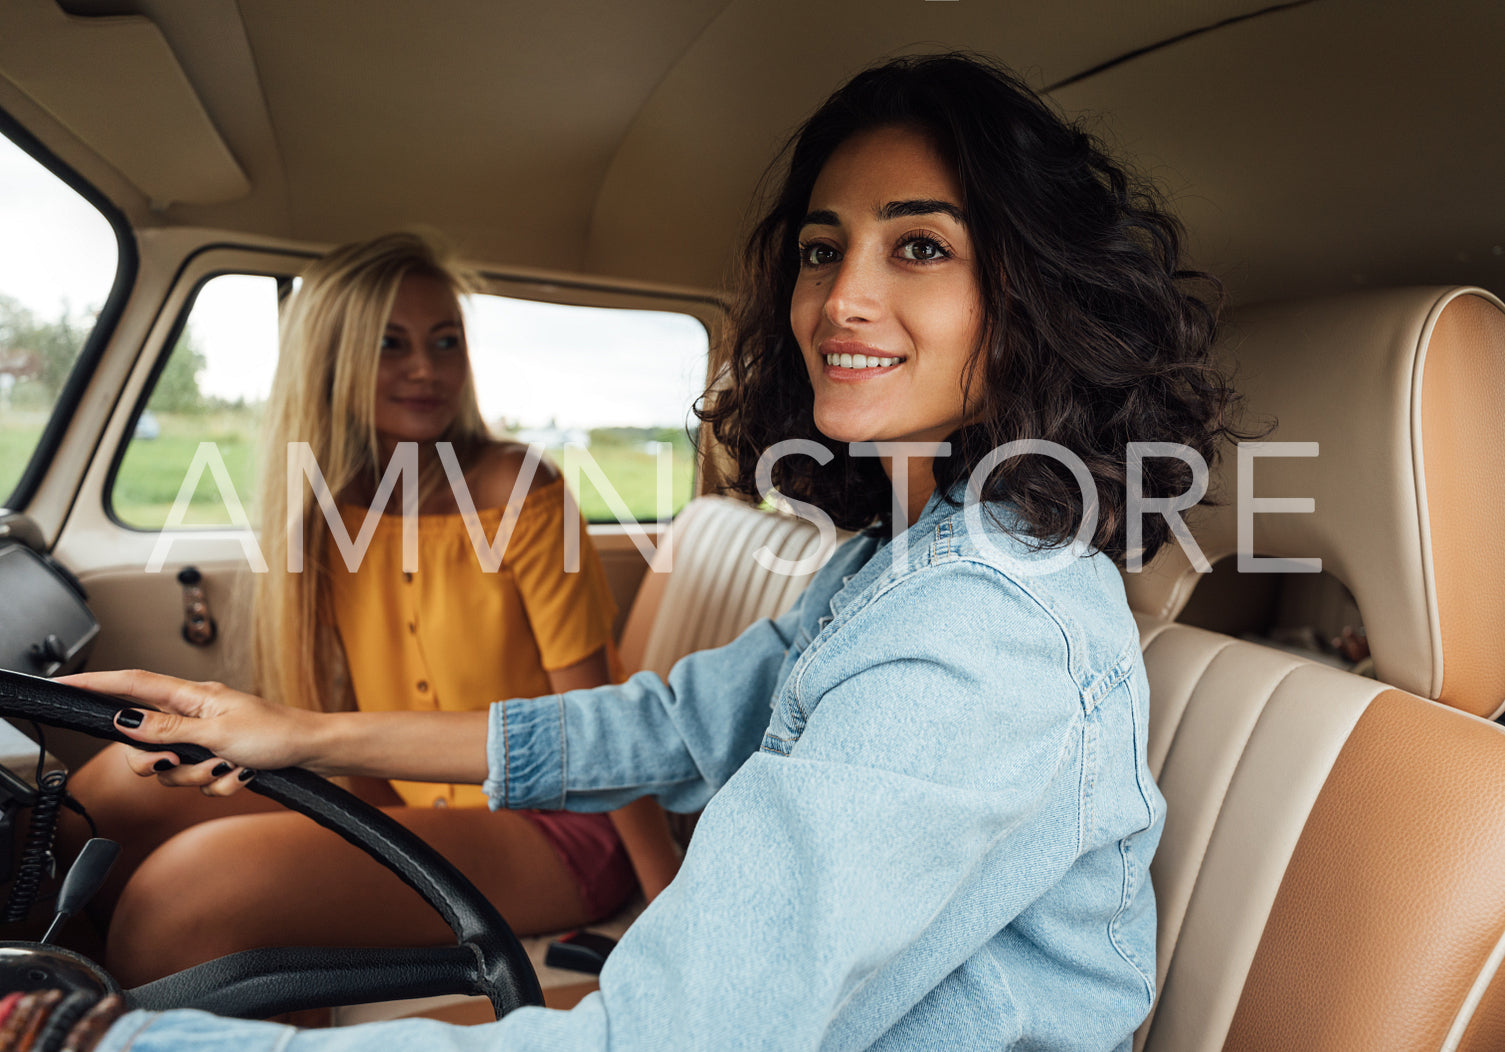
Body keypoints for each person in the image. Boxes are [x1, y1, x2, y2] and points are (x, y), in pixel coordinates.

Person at [57, 53, 1239, 1050]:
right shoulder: (893, 564)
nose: (839, 300)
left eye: (918, 248)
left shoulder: (980, 632)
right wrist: (292, 731)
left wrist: (112, 1037)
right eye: (822, 250)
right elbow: (659, 726)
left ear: (1028, 294)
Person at [63, 233, 683, 987]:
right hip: (401, 787)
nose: (426, 368)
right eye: (390, 344)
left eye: (444, 341)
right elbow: (356, 699)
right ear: (333, 360)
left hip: (552, 821)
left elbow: (596, 717)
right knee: (101, 796)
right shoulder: (326, 504)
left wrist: (668, 895)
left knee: (182, 897)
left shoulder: (520, 487)